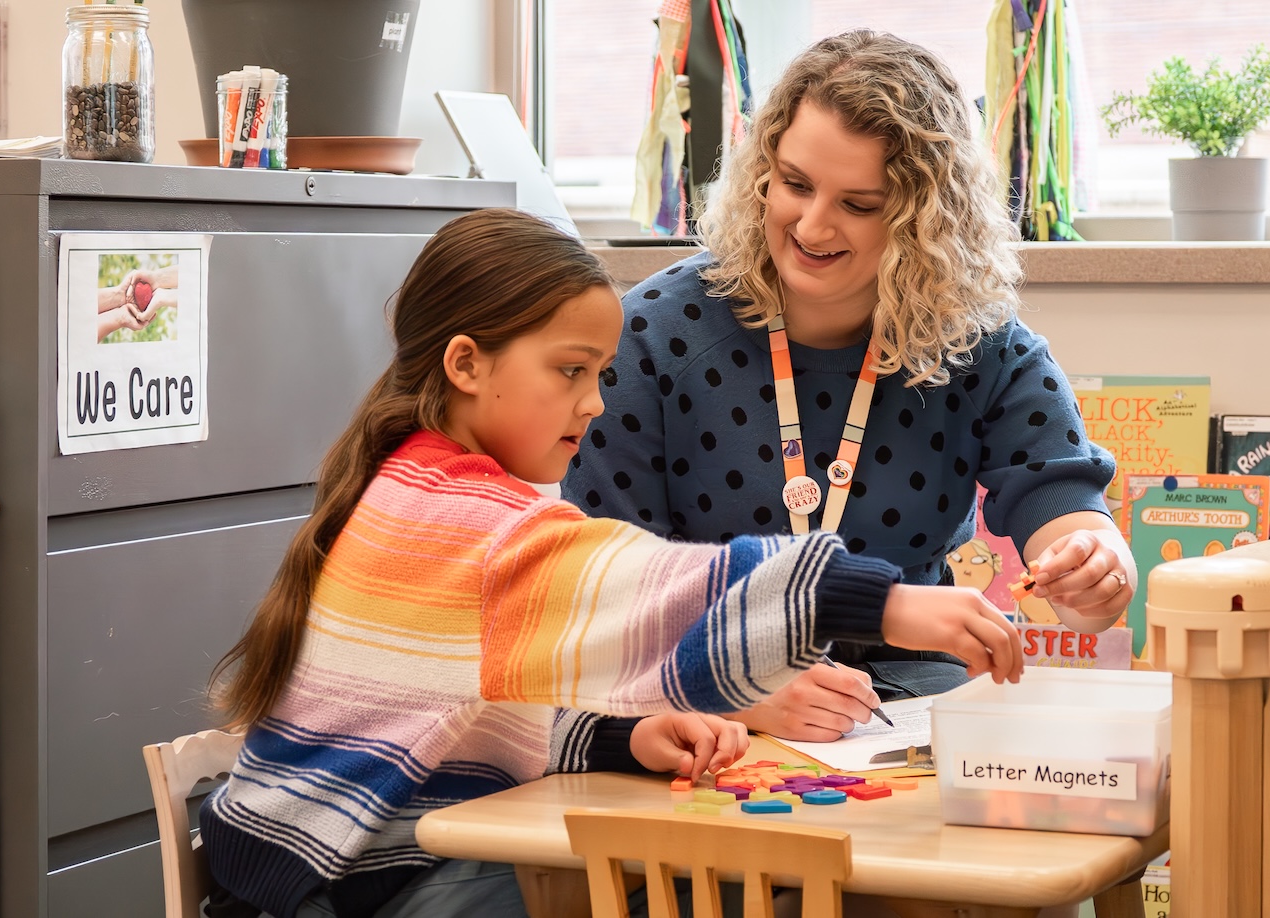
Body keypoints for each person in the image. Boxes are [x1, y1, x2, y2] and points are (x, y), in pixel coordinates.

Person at [199, 209, 1023, 918]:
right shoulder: (466, 520)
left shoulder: (414, 478)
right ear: (465, 364)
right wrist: (887, 605)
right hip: (348, 883)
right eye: (569, 372)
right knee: (705, 883)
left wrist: (620, 741)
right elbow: (657, 592)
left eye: (597, 374)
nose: (593, 402)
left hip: (359, 859)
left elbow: (461, 709)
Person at [564, 30, 1140, 743]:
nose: (812, 224)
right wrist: (736, 693)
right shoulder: (651, 337)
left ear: (925, 217)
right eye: (795, 183)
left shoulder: (983, 344)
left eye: (859, 205)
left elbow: (1067, 520)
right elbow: (605, 593)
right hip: (694, 692)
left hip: (909, 693)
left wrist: (1095, 566)